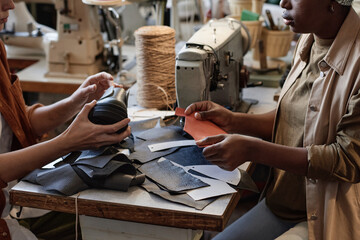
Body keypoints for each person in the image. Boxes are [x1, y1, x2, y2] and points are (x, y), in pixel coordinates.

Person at [185, 0, 360, 239]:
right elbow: (295, 118)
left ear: (331, 3)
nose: (283, 3)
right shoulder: (307, 41)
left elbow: (346, 160)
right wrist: (234, 120)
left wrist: (252, 149)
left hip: (326, 213)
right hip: (281, 203)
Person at [0, 0, 131, 239]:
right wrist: (67, 142)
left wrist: (75, 101)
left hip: (12, 199)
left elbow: (18, 122)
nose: (9, 5)